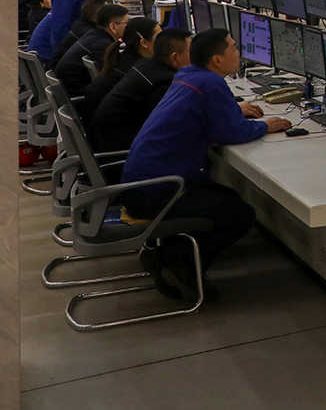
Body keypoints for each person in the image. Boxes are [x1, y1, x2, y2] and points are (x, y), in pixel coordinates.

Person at [122, 30, 290, 297]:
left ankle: (167, 255)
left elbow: (212, 119)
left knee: (226, 198)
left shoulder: (188, 75)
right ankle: (178, 263)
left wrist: (236, 113)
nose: (238, 52)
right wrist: (265, 126)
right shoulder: (210, 84)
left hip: (143, 182)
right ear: (217, 60)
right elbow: (231, 132)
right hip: (160, 191)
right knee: (239, 214)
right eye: (233, 48)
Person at [90, 28, 191, 154]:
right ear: (175, 57)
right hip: (121, 151)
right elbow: (171, 126)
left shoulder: (145, 65)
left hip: (105, 140)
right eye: (192, 52)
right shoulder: (165, 82)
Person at [77, 17, 159, 127]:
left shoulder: (122, 58)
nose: (165, 41)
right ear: (144, 42)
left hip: (98, 126)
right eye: (159, 37)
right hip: (110, 131)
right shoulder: (137, 69)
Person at [54, 3, 128, 97]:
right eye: (126, 23)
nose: (129, 27)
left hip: (73, 91)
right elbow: (115, 76)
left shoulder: (94, 35)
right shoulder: (103, 45)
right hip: (77, 95)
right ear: (113, 26)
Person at [51, 0, 107, 70]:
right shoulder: (88, 33)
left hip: (62, 69)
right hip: (65, 72)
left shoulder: (81, 25)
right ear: (97, 15)